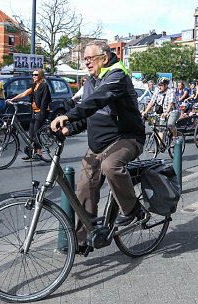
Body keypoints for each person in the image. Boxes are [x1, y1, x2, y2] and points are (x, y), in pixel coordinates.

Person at [50, 40, 145, 253]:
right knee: (84, 188)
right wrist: (69, 127)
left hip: (126, 137)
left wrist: (68, 114)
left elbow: (98, 101)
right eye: (84, 59)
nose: (86, 63)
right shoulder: (91, 82)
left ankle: (132, 209)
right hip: (98, 144)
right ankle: (83, 241)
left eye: (90, 59)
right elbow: (89, 113)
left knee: (111, 166)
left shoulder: (116, 75)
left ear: (103, 58)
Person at [8, 68, 51, 161]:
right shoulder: (34, 85)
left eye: (35, 75)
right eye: (33, 75)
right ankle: (31, 153)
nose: (33, 76)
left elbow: (45, 100)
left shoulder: (44, 86)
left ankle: (38, 153)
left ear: (40, 75)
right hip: (34, 111)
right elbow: (24, 94)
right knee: (31, 133)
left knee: (36, 131)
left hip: (42, 111)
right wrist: (12, 99)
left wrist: (42, 112)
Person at [142, 77, 179, 145]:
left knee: (170, 124)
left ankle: (175, 137)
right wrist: (145, 112)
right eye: (158, 85)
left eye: (161, 85)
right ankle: (158, 147)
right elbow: (152, 102)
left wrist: (167, 112)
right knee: (161, 128)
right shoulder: (157, 91)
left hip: (173, 110)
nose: (159, 87)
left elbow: (170, 103)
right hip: (163, 112)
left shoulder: (171, 91)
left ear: (166, 85)